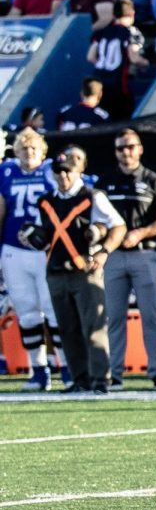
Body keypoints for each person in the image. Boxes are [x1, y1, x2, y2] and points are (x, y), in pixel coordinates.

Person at [30, 147, 126, 394]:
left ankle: (100, 380)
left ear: (78, 171)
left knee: (93, 327)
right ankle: (79, 379)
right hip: (55, 270)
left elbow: (118, 226)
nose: (63, 176)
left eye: (67, 171)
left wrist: (104, 251)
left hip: (84, 269)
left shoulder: (92, 197)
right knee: (67, 328)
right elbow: (42, 235)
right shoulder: (46, 201)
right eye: (58, 172)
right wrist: (31, 237)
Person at [96, 128, 156, 392]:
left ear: (140, 148)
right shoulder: (105, 181)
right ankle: (113, 374)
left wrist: (143, 231)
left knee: (150, 315)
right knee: (114, 317)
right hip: (114, 256)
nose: (126, 152)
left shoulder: (154, 181)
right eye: (120, 148)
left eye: (130, 146)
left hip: (145, 253)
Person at [0, 129, 60, 390]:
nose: (29, 152)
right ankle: (38, 370)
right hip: (14, 249)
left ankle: (68, 367)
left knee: (53, 310)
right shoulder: (7, 172)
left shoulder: (52, 170)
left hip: (44, 251)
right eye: (24, 148)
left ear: (42, 151)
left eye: (33, 148)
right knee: (26, 312)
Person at [86, 0, 148, 121]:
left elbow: (90, 57)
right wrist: (146, 63)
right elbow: (134, 57)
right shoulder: (131, 32)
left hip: (99, 82)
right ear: (132, 14)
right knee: (121, 120)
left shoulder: (102, 32)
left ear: (114, 15)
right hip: (118, 84)